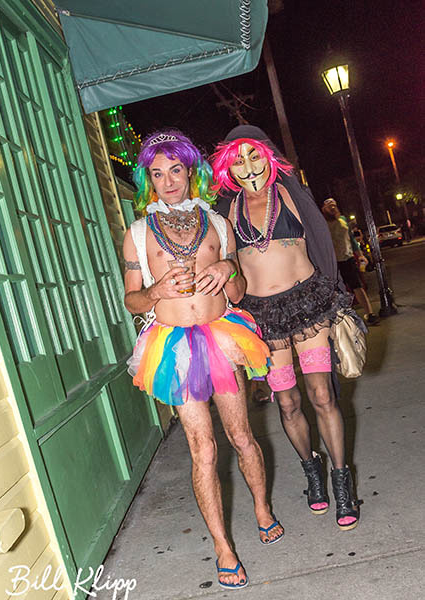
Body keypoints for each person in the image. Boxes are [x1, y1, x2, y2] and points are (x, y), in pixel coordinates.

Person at [123, 130, 284, 590]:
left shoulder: (217, 224)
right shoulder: (136, 233)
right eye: (157, 173)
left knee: (241, 436)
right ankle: (222, 547)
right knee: (202, 448)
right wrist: (156, 292)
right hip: (172, 348)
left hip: (222, 340)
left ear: (190, 172)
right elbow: (132, 300)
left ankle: (261, 507)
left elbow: (239, 290)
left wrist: (224, 269)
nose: (168, 181)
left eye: (175, 170)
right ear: (147, 180)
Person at [211, 124, 360, 531]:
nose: (248, 166)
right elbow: (224, 267)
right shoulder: (226, 211)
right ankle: (311, 469)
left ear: (268, 156)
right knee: (288, 402)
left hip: (307, 305)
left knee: (322, 395)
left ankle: (341, 480)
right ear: (229, 167)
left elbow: (321, 244)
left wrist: (337, 298)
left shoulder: (291, 194)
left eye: (254, 155)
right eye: (238, 160)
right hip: (264, 318)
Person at [322, 198, 379, 326]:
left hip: (348, 258)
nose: (332, 208)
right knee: (336, 290)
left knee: (357, 286)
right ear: (324, 209)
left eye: (334, 205)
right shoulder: (323, 223)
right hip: (333, 262)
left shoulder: (342, 220)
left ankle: (370, 313)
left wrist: (360, 254)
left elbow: (352, 240)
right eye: (329, 206)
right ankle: (341, 320)